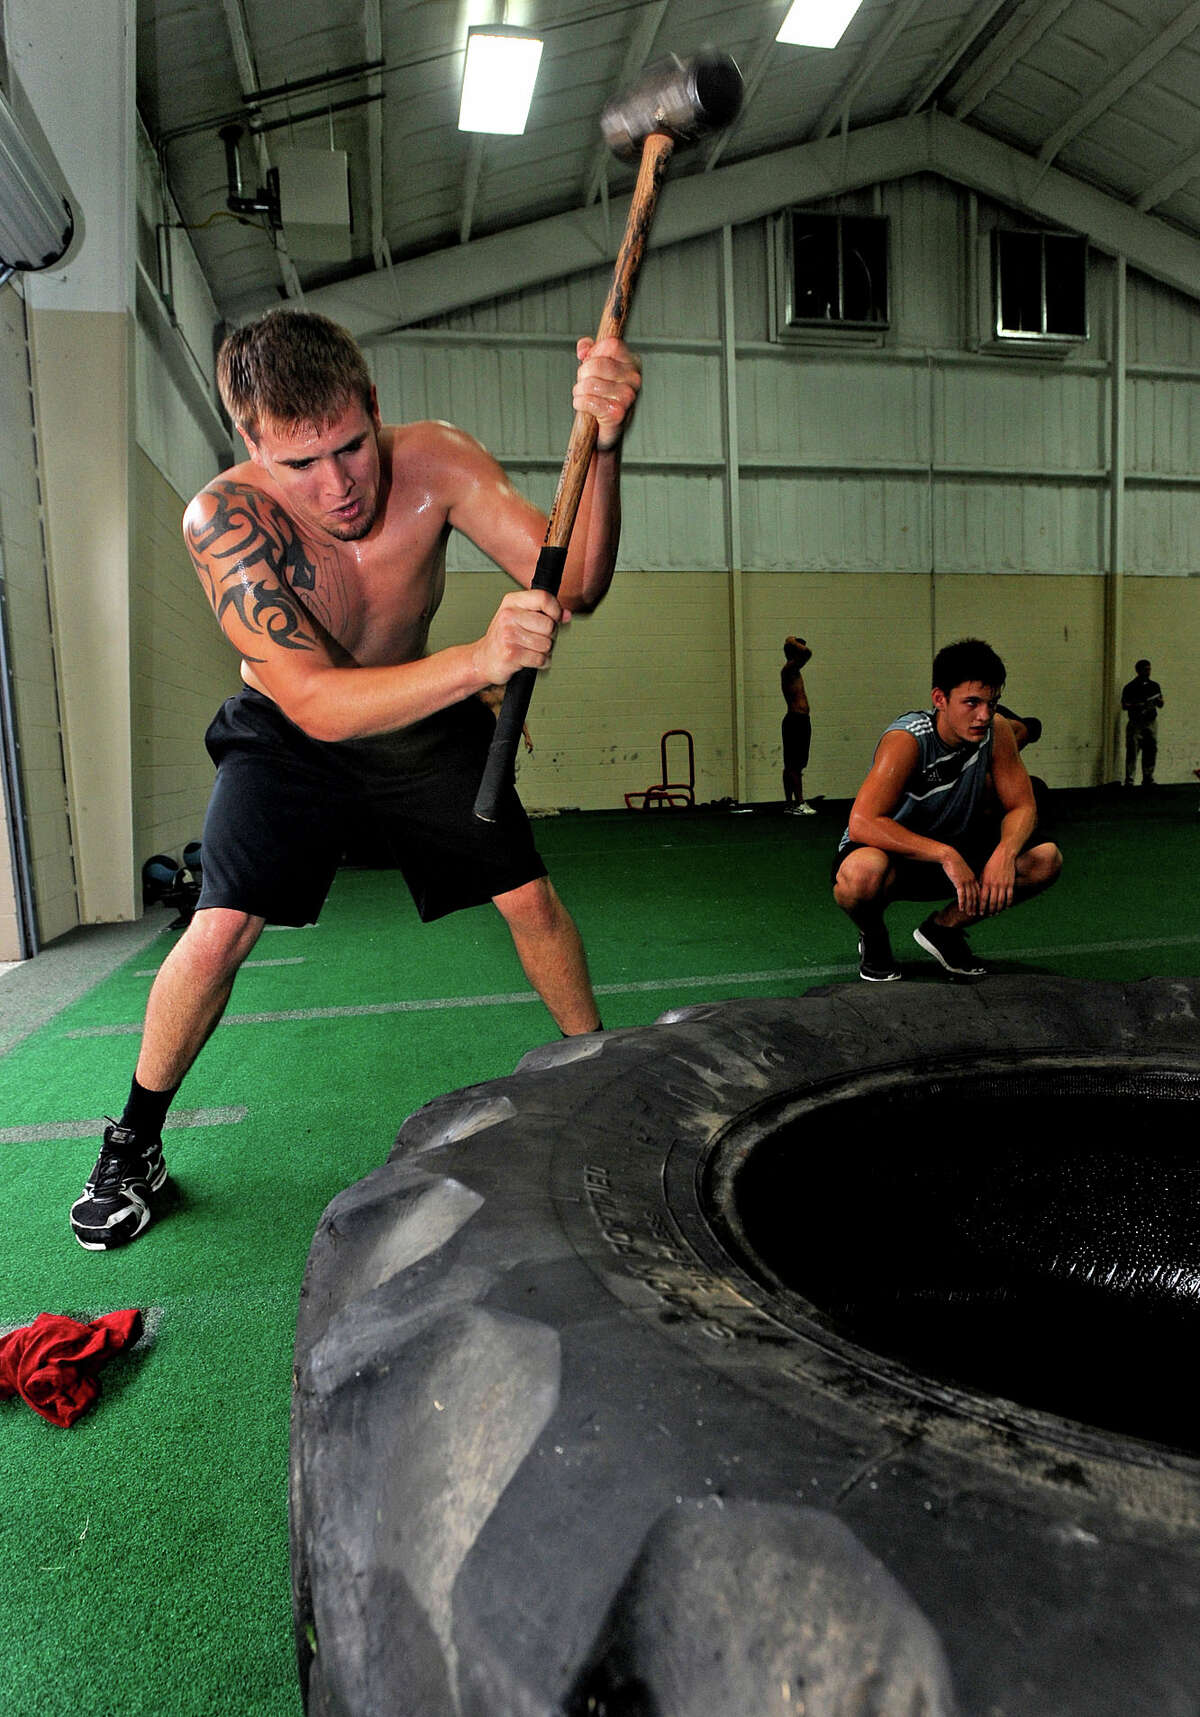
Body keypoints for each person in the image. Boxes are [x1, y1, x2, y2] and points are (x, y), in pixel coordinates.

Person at [70, 308, 641, 1250]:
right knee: (217, 927)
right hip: (291, 725)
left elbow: (575, 579)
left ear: (372, 406)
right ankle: (133, 1142)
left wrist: (607, 448)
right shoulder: (223, 521)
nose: (338, 485)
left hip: (418, 707)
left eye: (350, 446)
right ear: (251, 443)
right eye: (301, 463)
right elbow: (321, 705)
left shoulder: (439, 462)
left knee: (530, 898)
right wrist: (479, 663)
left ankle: (599, 1081)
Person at [832, 638, 1062, 983]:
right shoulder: (908, 740)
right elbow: (863, 822)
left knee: (1045, 859)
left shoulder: (996, 731)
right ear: (940, 699)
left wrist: (1005, 852)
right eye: (971, 702)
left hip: (954, 850)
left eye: (992, 702)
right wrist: (945, 855)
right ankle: (874, 936)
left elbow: (1023, 805)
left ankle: (944, 929)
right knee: (859, 877)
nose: (983, 715)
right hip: (897, 855)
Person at [781, 636, 815, 815]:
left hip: (799, 720)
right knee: (793, 765)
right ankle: (799, 802)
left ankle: (790, 804)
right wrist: (791, 641)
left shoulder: (794, 671)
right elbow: (807, 653)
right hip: (795, 720)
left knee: (793, 765)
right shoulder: (789, 669)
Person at [1121, 658, 1163, 787]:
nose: (1148, 671)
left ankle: (1148, 777)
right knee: (1133, 750)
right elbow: (1124, 705)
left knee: (1151, 749)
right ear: (1138, 670)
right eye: (1146, 669)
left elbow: (1160, 702)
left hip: (1151, 721)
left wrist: (1159, 702)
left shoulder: (1154, 685)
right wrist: (1137, 705)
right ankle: (1130, 779)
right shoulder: (1130, 687)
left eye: (1149, 669)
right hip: (1136, 722)